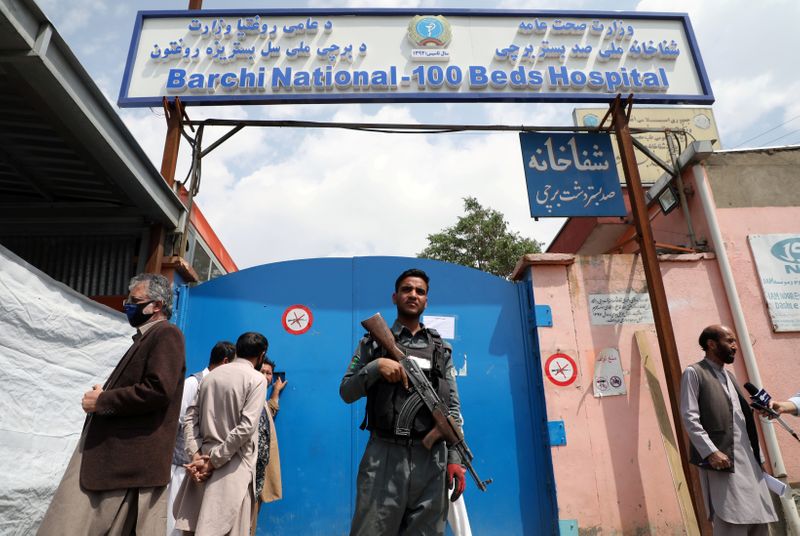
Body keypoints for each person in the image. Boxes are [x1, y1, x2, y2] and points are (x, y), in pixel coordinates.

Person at [37, 273, 186, 535]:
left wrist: (103, 400)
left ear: (157, 305)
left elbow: (158, 389)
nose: (127, 305)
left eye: (135, 300)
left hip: (124, 464)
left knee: (70, 525)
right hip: (117, 463)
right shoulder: (146, 337)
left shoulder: (166, 334)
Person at [340, 268, 467, 536]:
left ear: (426, 301)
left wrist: (455, 458)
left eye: (420, 291)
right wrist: (375, 367)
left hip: (432, 461)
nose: (413, 295)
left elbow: (452, 407)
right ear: (395, 297)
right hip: (384, 456)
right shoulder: (372, 343)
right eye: (407, 289)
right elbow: (346, 392)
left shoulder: (441, 349)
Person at [680, 325, 777, 535]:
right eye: (729, 341)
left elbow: (742, 421)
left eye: (734, 342)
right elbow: (689, 416)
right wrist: (711, 452)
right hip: (722, 460)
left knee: (759, 520)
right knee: (732, 519)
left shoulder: (730, 376)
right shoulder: (694, 373)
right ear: (711, 344)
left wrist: (759, 458)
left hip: (748, 462)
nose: (735, 346)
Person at [173, 332, 268, 536]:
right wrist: (213, 461)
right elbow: (246, 427)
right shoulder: (257, 379)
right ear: (262, 355)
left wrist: (196, 456)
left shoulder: (211, 375)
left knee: (195, 527)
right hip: (233, 467)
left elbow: (190, 418)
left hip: (201, 468)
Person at [168, 341, 236, 536]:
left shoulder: (218, 387)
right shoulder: (193, 383)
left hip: (202, 467)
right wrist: (193, 457)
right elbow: (178, 421)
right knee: (175, 519)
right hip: (183, 465)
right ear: (224, 362)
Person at [250, 358, 287, 535]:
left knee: (252, 520)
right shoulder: (248, 397)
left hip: (259, 476)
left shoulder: (262, 401)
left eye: (268, 373)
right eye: (262, 371)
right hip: (247, 475)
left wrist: (275, 395)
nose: (265, 376)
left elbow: (267, 413)